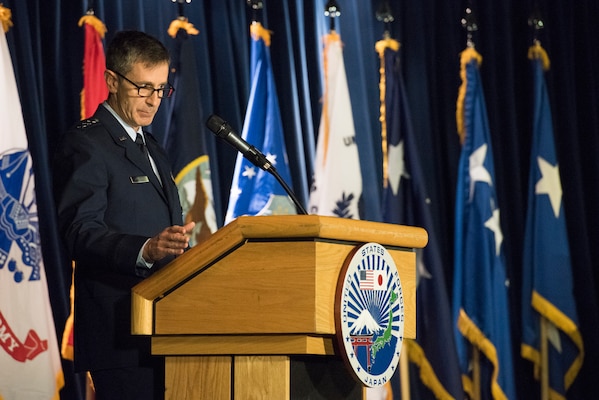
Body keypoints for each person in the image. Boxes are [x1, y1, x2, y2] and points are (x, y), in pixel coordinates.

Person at [53, 30, 194, 400]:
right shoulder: (86, 143)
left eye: (162, 89)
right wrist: (146, 249)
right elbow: (79, 232)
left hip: (165, 328)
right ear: (112, 81)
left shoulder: (153, 147)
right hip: (119, 335)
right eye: (143, 87)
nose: (154, 100)